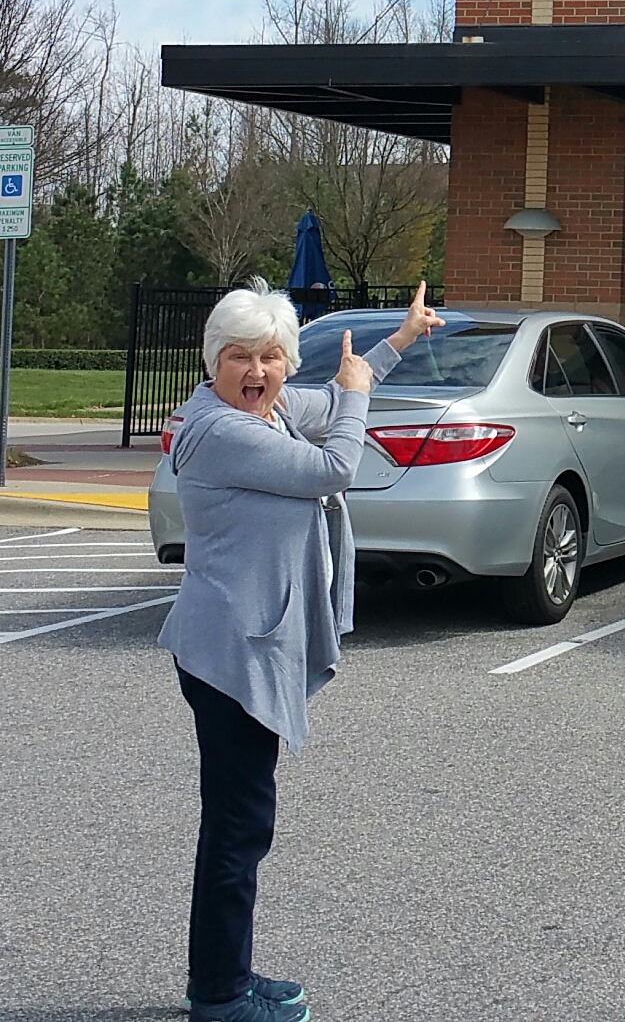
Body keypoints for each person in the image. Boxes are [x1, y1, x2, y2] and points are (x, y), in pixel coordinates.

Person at [159, 278, 445, 1022]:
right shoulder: (223, 431)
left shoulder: (271, 410)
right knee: (238, 828)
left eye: (271, 356)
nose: (257, 371)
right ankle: (219, 995)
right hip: (229, 653)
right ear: (212, 362)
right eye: (239, 357)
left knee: (240, 824)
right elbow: (335, 467)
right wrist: (354, 397)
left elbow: (344, 390)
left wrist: (399, 339)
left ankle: (225, 973)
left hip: (244, 644)